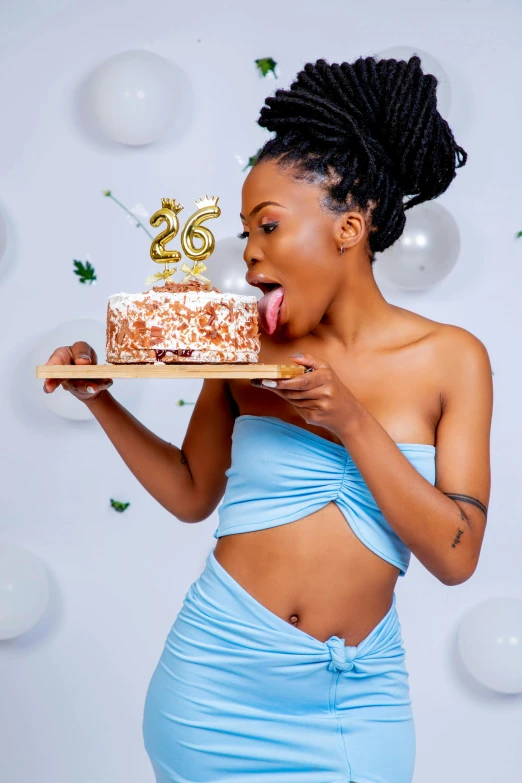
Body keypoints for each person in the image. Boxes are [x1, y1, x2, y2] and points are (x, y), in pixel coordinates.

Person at [43, 55, 493, 783]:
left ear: (349, 227)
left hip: (356, 704)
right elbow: (193, 493)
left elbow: (457, 555)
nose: (250, 258)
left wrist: (351, 419)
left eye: (269, 227)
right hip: (212, 692)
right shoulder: (244, 347)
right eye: (246, 232)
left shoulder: (451, 359)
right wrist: (100, 398)